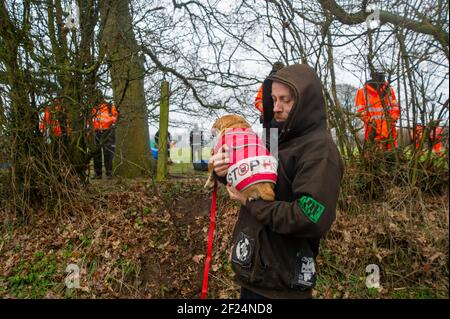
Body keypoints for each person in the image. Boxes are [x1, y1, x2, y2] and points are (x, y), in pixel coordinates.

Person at [211, 64, 344, 299]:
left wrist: (251, 203)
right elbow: (259, 182)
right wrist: (223, 171)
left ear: (305, 102)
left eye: (286, 100)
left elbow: (310, 217)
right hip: (254, 274)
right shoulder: (273, 138)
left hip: (283, 284)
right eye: (273, 99)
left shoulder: (319, 150)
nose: (277, 108)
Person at [355, 70, 400, 150]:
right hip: (372, 129)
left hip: (389, 128)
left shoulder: (389, 90)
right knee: (374, 153)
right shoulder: (362, 92)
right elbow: (361, 111)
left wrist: (394, 117)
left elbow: (395, 107)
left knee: (391, 154)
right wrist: (369, 120)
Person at [91, 90, 118, 179]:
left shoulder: (110, 106)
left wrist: (112, 124)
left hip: (108, 131)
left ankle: (109, 173)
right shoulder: (92, 108)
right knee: (96, 153)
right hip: (96, 131)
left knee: (108, 153)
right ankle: (98, 174)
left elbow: (116, 117)